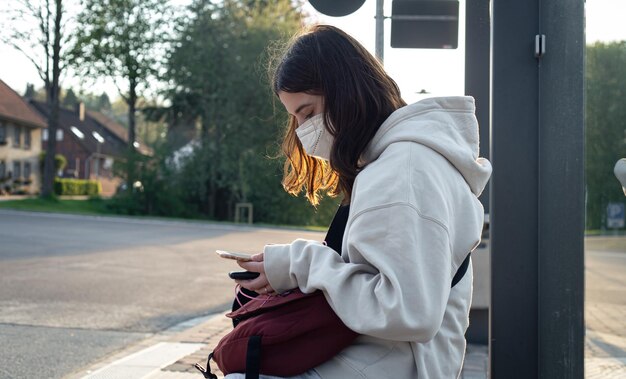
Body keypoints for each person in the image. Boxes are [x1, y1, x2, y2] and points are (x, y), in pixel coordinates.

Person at [232, 24, 492, 379]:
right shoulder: (401, 164)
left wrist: (302, 262)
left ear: (344, 91)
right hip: (376, 361)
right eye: (294, 117)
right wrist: (289, 266)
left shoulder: (404, 170)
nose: (301, 130)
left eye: (307, 113)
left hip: (381, 365)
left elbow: (405, 310)